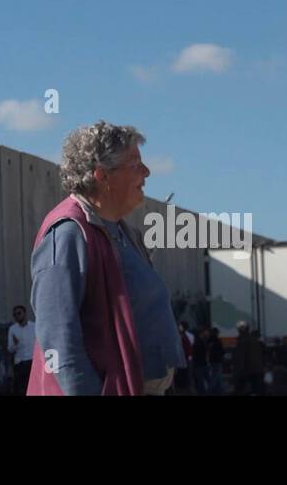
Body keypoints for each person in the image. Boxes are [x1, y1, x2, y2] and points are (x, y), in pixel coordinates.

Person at [28, 122, 183, 395]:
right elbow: (58, 339)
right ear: (102, 175)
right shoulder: (68, 233)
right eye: (135, 165)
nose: (146, 173)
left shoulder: (126, 232)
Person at [6, 305, 36, 396]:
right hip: (20, 363)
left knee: (34, 388)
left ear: (24, 313)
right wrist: (15, 344)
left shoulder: (34, 326)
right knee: (21, 390)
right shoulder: (12, 329)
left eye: (19, 313)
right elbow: (10, 349)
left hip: (32, 361)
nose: (17, 316)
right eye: (14, 315)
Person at [232, 323, 265, 395]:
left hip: (247, 370)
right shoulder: (256, 341)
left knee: (239, 389)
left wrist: (238, 371)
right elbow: (260, 356)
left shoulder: (242, 341)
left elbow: (240, 358)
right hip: (257, 369)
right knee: (257, 390)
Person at [206, 327, 225, 394]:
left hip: (212, 360)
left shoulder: (209, 340)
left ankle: (219, 390)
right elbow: (222, 351)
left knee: (217, 375)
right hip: (218, 360)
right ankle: (210, 389)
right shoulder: (217, 340)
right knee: (216, 376)